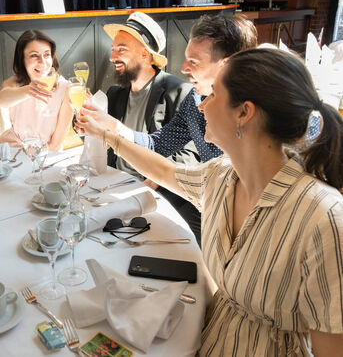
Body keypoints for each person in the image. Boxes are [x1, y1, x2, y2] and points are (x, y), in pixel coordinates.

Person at [77, 48, 343, 355]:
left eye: (213, 95)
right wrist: (107, 134)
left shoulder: (324, 219)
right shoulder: (221, 177)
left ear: (244, 112)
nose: (201, 106)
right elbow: (165, 171)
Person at [83, 14, 258, 246]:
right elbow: (158, 145)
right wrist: (113, 127)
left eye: (193, 62)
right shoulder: (195, 102)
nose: (183, 68)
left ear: (225, 66)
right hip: (209, 207)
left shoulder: (256, 120)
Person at [101, 12, 196, 175]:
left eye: (121, 50)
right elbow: (99, 142)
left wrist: (155, 181)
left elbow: (190, 157)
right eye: (113, 50)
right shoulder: (114, 93)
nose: (112, 57)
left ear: (144, 54)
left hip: (153, 186)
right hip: (114, 179)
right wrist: (81, 118)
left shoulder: (180, 93)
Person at [0, 29, 73, 151]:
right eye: (34, 55)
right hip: (13, 150)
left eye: (46, 54)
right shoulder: (13, 84)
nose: (42, 62)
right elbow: (1, 100)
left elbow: (56, 145)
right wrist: (27, 91)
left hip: (46, 154)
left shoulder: (66, 88)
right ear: (22, 60)